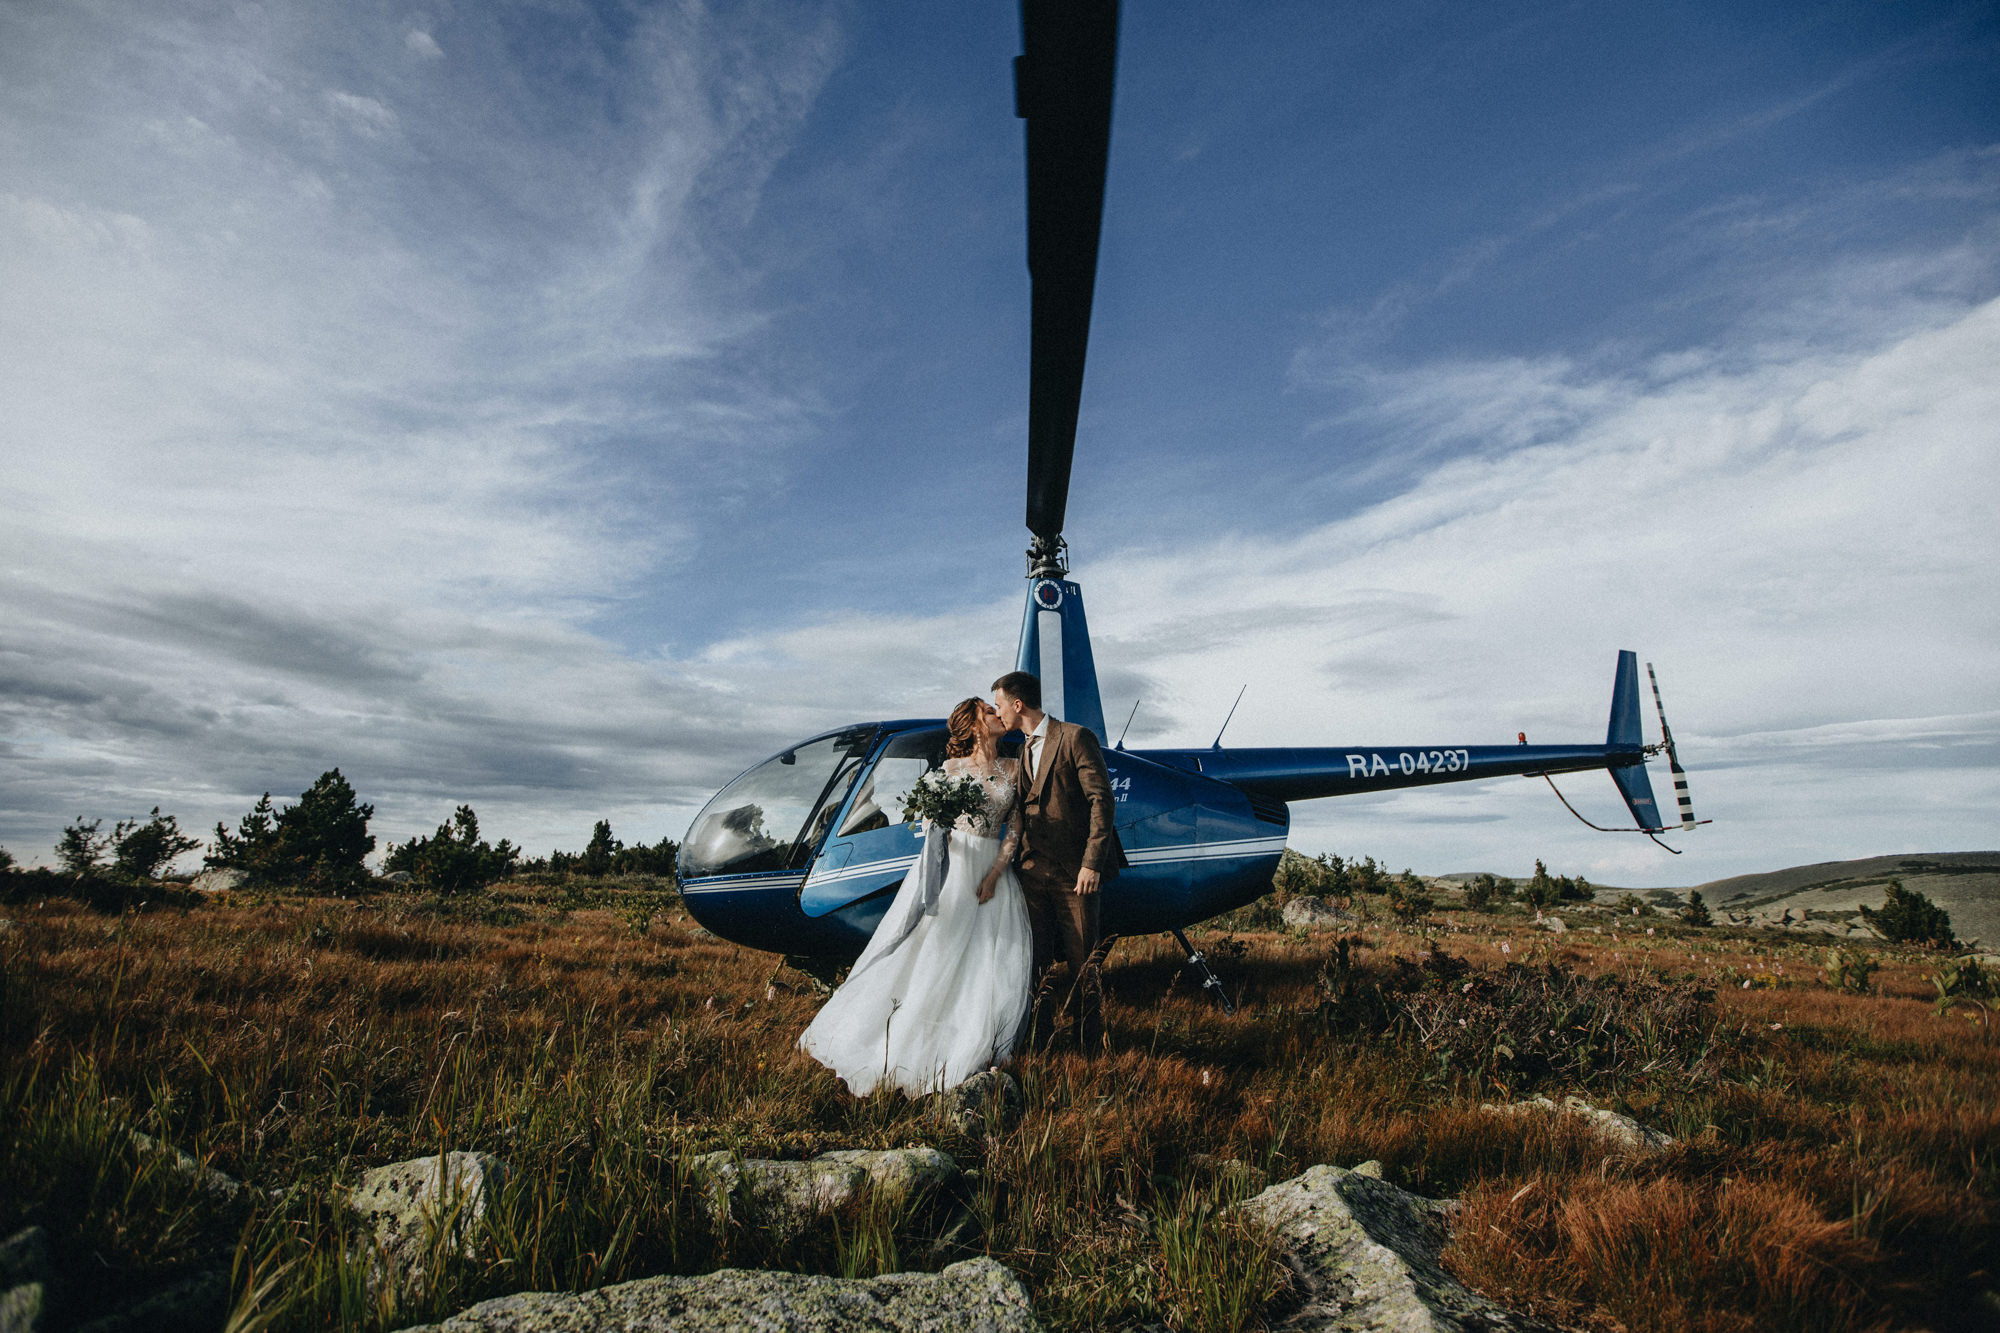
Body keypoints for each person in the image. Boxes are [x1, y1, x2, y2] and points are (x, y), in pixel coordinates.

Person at [797, 697, 1032, 1095]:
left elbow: (1015, 829)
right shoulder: (950, 771)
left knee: (992, 959)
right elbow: (929, 824)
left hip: (994, 869)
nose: (997, 715)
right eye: (988, 712)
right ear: (975, 725)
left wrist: (994, 873)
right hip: (953, 869)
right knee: (936, 951)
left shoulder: (1013, 768)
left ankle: (983, 1041)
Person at [991, 670, 1128, 1054]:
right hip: (1032, 874)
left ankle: (1090, 1050)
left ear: (1018, 705)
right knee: (1035, 966)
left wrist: (1092, 863)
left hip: (1074, 874)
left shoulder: (1075, 737)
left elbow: (1102, 800)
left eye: (1000, 705)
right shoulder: (1021, 751)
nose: (998, 713)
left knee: (1084, 966)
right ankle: (1043, 1043)